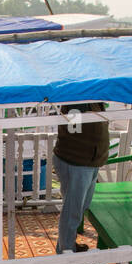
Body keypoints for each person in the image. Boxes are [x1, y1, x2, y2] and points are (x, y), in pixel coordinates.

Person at [52, 101, 109, 255]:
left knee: (79, 208)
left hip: (88, 162)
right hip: (77, 162)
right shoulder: (79, 100)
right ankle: (66, 255)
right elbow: (74, 131)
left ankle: (66, 246)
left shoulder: (93, 100)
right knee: (72, 212)